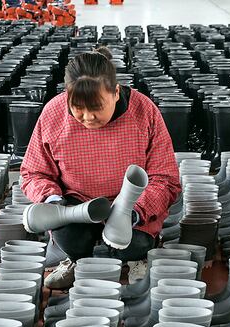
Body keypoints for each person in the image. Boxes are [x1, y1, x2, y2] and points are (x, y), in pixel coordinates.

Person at [21, 47, 181, 288]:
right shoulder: (53, 113)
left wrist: (134, 211)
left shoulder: (144, 111)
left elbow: (165, 178)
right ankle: (76, 259)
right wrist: (52, 201)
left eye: (96, 107)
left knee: (132, 244)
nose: (87, 117)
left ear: (116, 93)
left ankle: (137, 259)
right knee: (70, 237)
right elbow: (33, 172)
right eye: (78, 108)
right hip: (76, 205)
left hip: (129, 205)